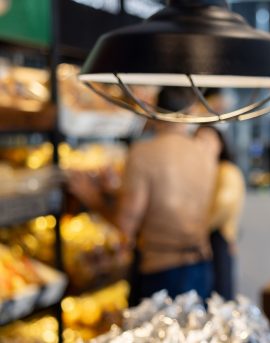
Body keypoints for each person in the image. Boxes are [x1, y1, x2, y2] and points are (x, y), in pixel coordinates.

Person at [68, 87, 220, 304]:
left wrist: (91, 197)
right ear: (190, 112)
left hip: (163, 270)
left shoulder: (144, 154)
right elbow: (172, 197)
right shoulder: (204, 152)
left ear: (153, 111)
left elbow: (125, 226)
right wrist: (113, 192)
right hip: (202, 263)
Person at [195, 125, 246, 300]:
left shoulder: (226, 170)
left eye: (209, 140)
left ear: (221, 143)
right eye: (199, 140)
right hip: (204, 236)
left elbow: (224, 206)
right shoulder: (203, 171)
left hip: (218, 236)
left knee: (220, 294)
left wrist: (200, 230)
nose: (203, 145)